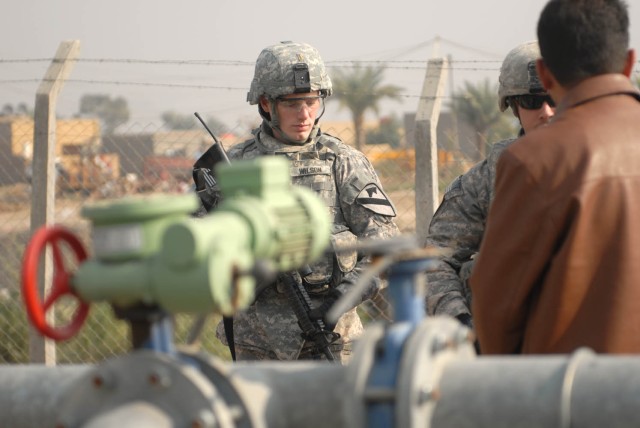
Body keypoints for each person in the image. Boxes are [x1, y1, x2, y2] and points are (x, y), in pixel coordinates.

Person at [193, 41, 399, 363]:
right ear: (265, 103)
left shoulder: (342, 161)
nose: (304, 115)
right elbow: (195, 240)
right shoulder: (232, 167)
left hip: (332, 342)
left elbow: (384, 244)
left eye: (312, 101)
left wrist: (341, 298)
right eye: (292, 104)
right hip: (255, 347)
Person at [470, 0, 640, 354]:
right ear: (628, 63)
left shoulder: (533, 160)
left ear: (546, 74)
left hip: (569, 392)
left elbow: (496, 304)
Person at [424, 41, 555, 330]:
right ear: (513, 106)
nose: (546, 111)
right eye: (533, 101)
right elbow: (436, 260)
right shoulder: (484, 183)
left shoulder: (607, 170)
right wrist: (462, 322)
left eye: (555, 98)